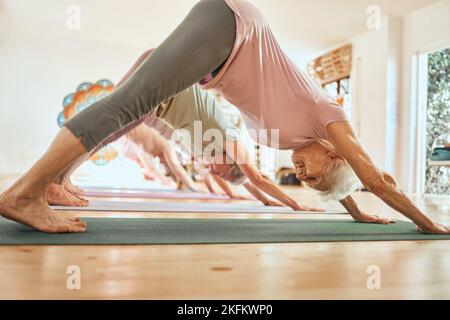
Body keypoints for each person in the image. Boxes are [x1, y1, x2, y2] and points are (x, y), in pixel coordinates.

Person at [1, 0, 448, 234]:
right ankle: (26, 193)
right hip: (234, 29)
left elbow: (345, 183)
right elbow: (374, 178)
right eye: (313, 174)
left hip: (216, 60)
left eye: (306, 181)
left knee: (129, 113)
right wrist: (428, 224)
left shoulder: (298, 144)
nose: (302, 175)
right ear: (334, 154)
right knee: (130, 104)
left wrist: (353, 210)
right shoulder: (330, 118)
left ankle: (55, 181)